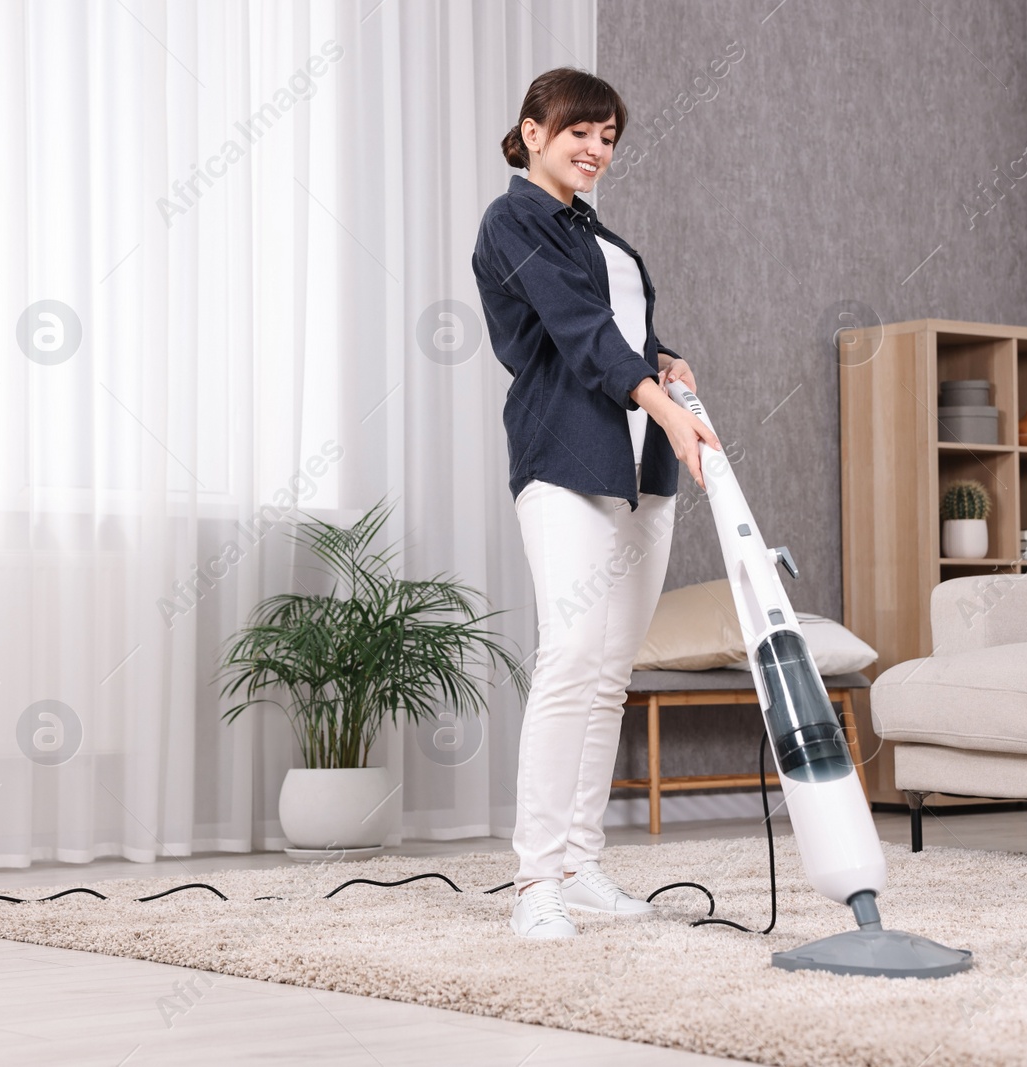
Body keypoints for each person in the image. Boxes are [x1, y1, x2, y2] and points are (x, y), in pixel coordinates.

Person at [471, 67, 721, 939]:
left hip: (643, 465)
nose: (596, 148)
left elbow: (622, 331)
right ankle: (535, 879)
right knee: (571, 654)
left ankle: (581, 864)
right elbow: (578, 334)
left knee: (611, 671)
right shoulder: (514, 220)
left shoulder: (596, 231)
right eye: (580, 130)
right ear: (533, 131)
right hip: (568, 455)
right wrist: (660, 404)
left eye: (609, 137)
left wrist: (670, 363)